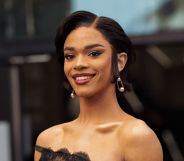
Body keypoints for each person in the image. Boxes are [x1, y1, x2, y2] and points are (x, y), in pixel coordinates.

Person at [34, 10, 163, 161]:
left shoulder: (136, 136)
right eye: (70, 56)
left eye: (94, 53)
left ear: (120, 61)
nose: (79, 64)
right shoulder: (48, 139)